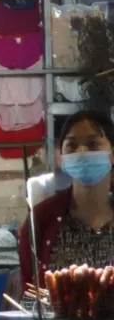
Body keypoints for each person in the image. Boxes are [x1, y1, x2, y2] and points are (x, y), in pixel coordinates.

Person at [21, 109, 114, 276]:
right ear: (61, 157)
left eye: (93, 143)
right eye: (71, 145)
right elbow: (29, 292)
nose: (82, 151)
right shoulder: (40, 219)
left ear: (112, 154)